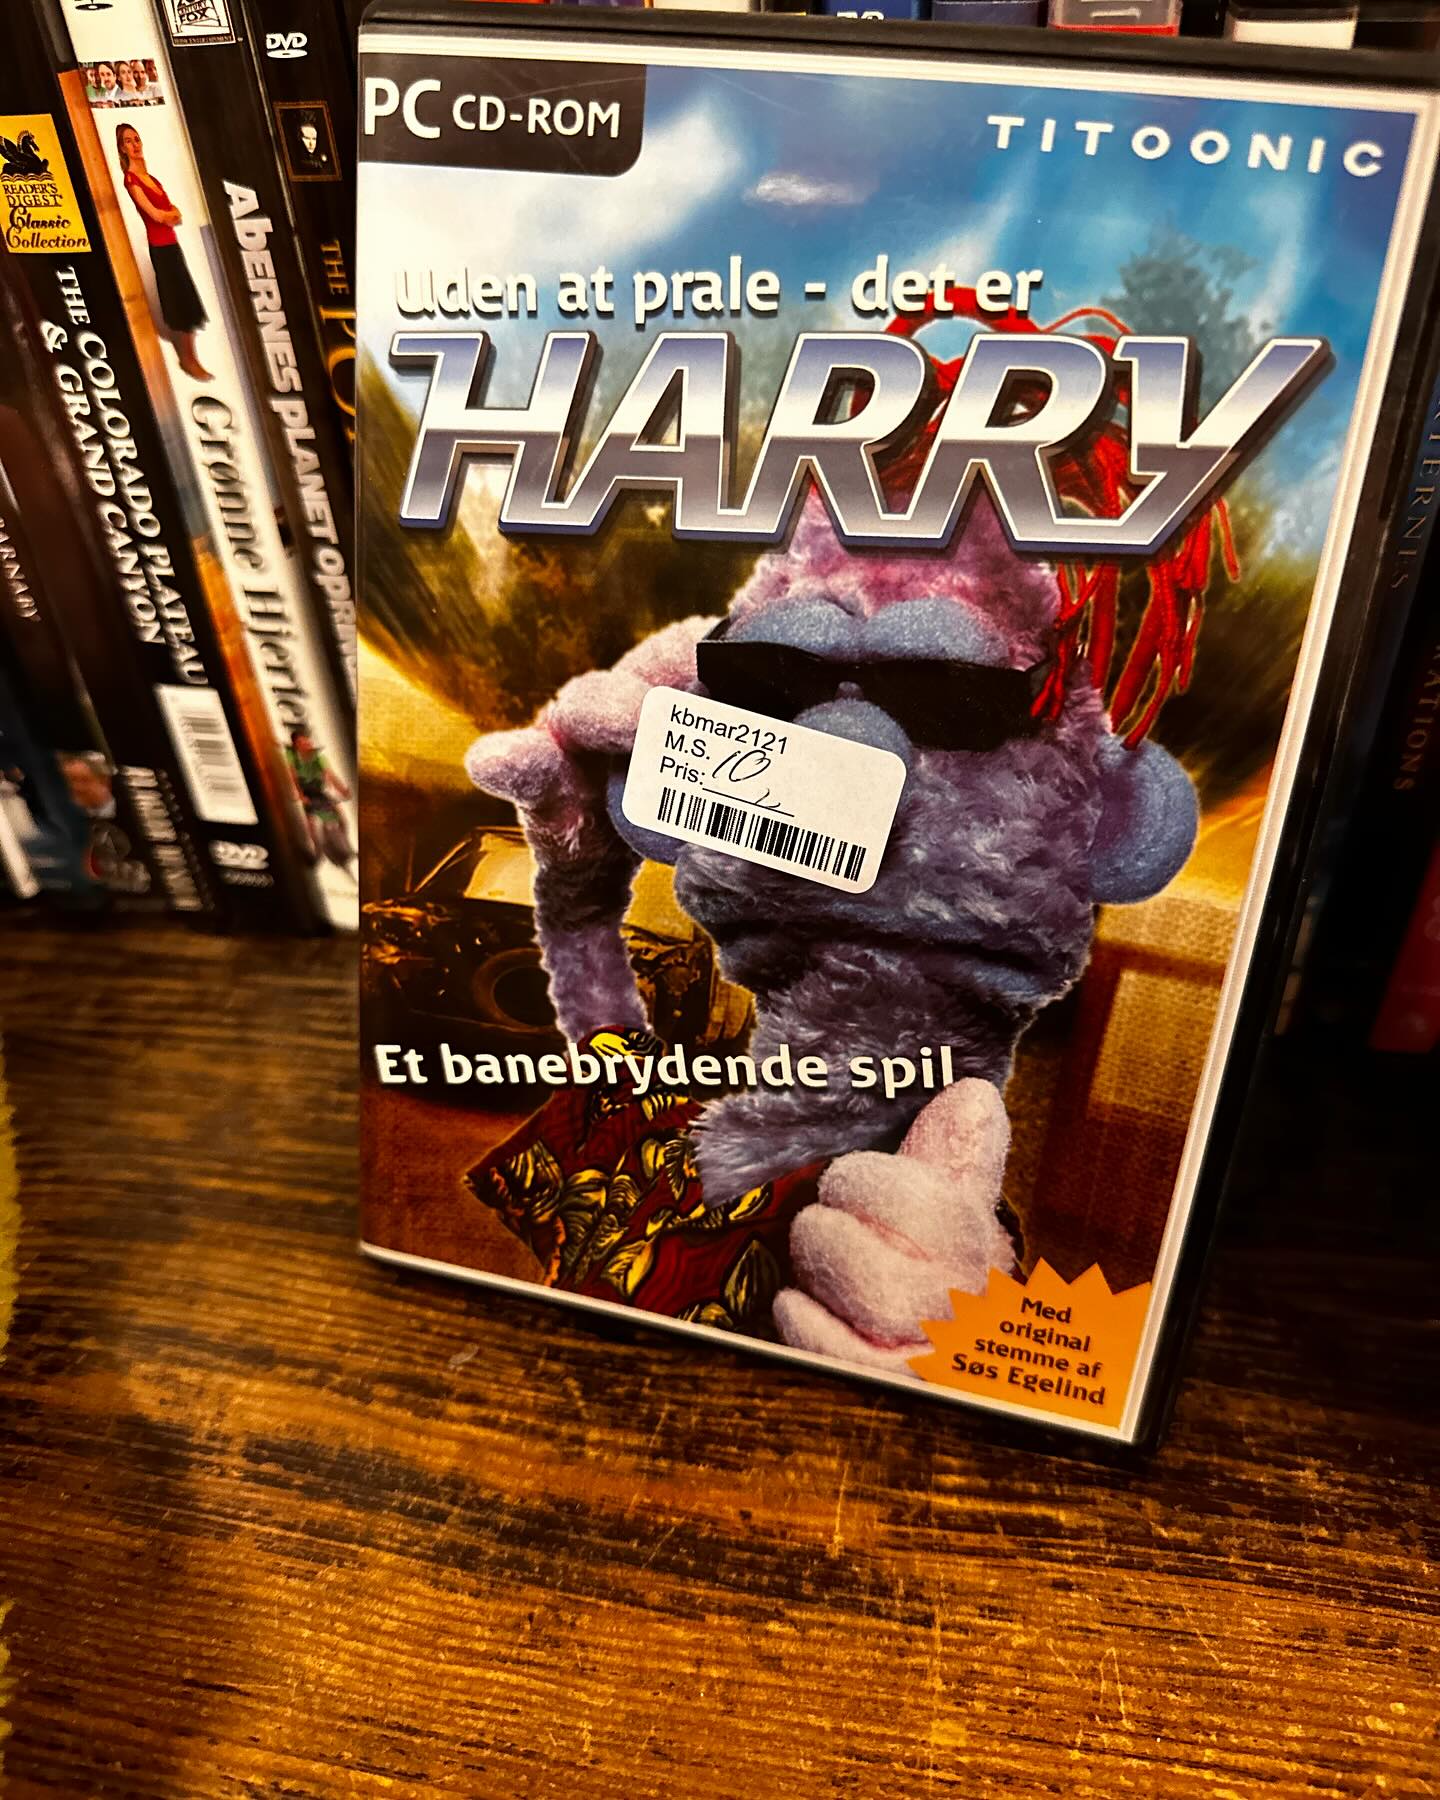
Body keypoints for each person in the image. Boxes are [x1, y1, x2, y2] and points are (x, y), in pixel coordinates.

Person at [114, 124, 212, 381]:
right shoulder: (131, 180)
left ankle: (190, 357)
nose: (135, 144)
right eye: (128, 141)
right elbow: (157, 215)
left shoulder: (152, 179)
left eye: (137, 139)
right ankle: (188, 360)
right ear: (122, 148)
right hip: (161, 249)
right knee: (179, 301)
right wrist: (170, 216)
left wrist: (170, 215)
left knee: (187, 299)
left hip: (172, 245)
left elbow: (174, 211)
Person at [286, 731, 355, 877]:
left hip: (319, 792)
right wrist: (299, 794)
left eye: (307, 742)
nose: (307, 745)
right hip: (307, 794)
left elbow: (330, 774)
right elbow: (292, 776)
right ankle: (318, 853)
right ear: (296, 745)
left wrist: (342, 789)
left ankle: (346, 846)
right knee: (311, 824)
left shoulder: (318, 757)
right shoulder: (292, 757)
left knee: (341, 817)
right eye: (302, 743)